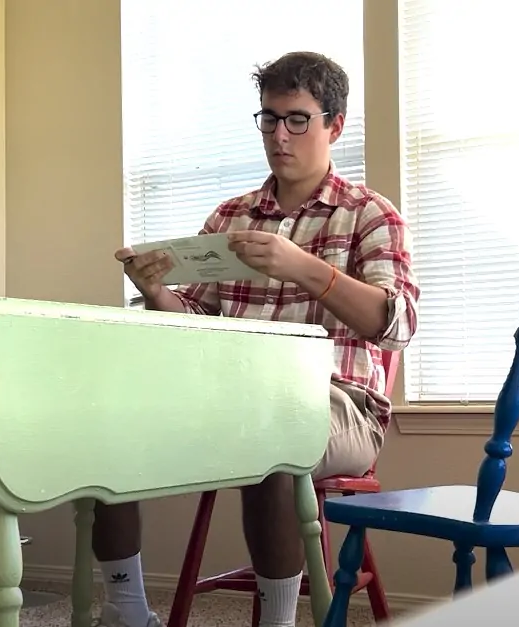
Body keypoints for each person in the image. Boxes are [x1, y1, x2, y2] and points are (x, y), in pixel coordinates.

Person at [99, 51, 420, 627]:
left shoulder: (370, 214)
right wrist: (156, 292)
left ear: (334, 126)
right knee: (107, 424)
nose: (280, 134)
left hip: (342, 403)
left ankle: (276, 621)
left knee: (272, 426)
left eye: (297, 119)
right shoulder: (231, 215)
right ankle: (126, 612)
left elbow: (396, 325)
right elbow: (191, 320)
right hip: (227, 397)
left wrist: (306, 269)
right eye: (269, 119)